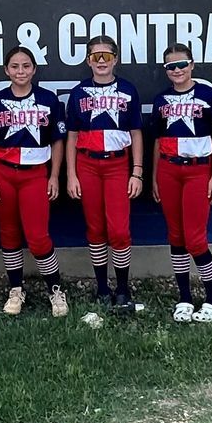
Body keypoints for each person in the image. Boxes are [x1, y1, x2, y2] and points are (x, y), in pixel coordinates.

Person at [0, 45, 70, 318]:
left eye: (26, 66)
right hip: (4, 173)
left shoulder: (48, 100)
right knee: (8, 233)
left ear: (34, 69)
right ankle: (16, 289)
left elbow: (57, 140)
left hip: (35, 174)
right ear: (6, 70)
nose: (21, 71)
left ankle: (55, 290)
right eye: (15, 66)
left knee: (38, 237)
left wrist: (54, 175)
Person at [146, 43, 212, 322]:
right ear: (165, 70)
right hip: (169, 170)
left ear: (192, 65)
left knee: (195, 237)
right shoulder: (161, 100)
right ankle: (184, 297)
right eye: (171, 66)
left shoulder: (207, 95)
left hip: (197, 170)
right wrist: (156, 176)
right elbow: (157, 142)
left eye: (182, 64)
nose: (177, 70)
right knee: (176, 236)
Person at [64, 33, 143, 309]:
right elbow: (71, 136)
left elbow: (136, 133)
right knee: (95, 228)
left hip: (117, 164)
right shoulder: (78, 92)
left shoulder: (129, 90)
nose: (101, 61)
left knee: (119, 230)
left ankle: (122, 288)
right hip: (87, 164)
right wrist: (71, 174)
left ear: (115, 59)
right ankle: (101, 287)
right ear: (88, 60)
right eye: (95, 56)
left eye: (106, 56)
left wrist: (137, 171)